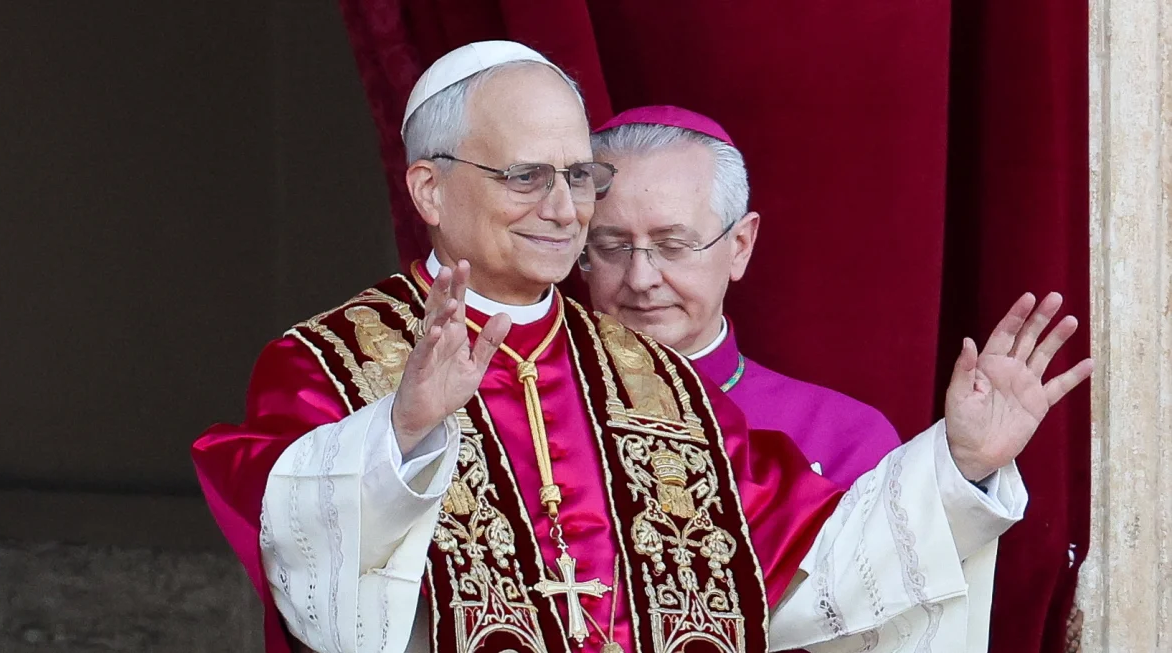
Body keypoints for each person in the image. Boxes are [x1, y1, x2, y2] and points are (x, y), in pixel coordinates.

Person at [190, 41, 1092, 653]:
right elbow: (298, 560)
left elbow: (804, 563)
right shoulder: (330, 360)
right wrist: (401, 438)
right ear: (429, 188)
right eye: (523, 176)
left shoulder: (650, 377)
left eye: (577, 175)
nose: (562, 208)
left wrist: (959, 466)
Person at [582, 105, 902, 489]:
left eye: (673, 245)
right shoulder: (535, 415)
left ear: (740, 246)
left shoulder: (844, 438)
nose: (641, 278)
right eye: (612, 246)